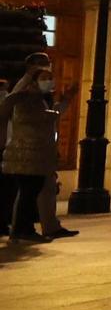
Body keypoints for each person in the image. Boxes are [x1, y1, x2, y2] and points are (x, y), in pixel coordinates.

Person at [3, 62, 70, 243]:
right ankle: (22, 230)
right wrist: (56, 110)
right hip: (26, 155)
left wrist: (62, 103)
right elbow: (37, 118)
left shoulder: (38, 98)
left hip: (36, 155)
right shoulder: (26, 98)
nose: (48, 82)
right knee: (28, 192)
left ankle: (23, 229)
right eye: (44, 78)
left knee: (30, 192)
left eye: (50, 78)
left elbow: (47, 117)